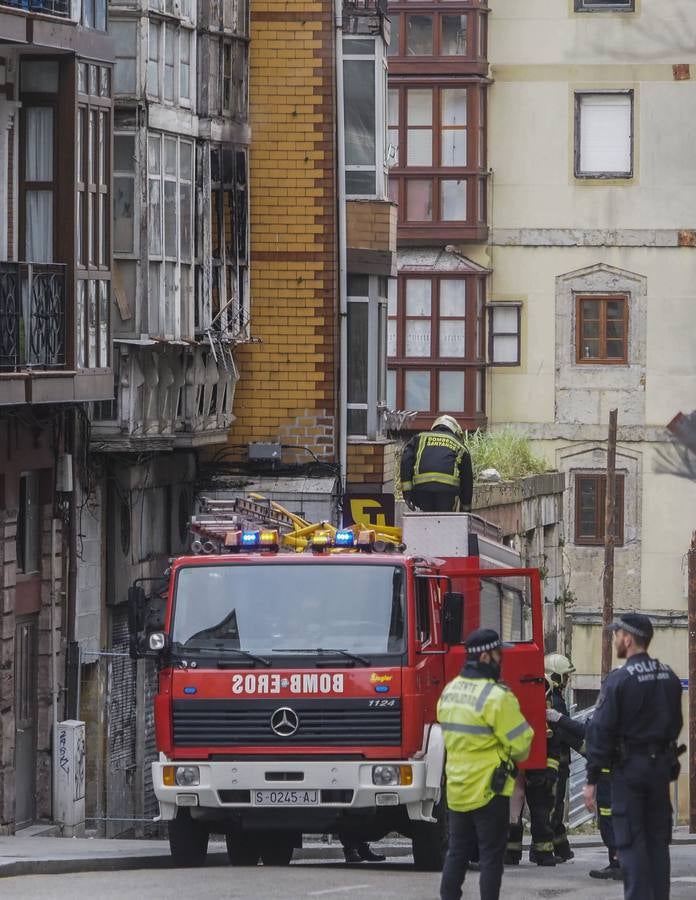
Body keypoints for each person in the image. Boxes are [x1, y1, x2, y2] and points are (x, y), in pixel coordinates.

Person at [583, 613, 683, 900]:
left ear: (628, 638)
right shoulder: (669, 676)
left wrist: (591, 780)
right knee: (657, 845)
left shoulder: (619, 680)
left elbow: (600, 732)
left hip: (629, 772)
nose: (614, 639)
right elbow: (675, 724)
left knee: (631, 846)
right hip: (661, 769)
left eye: (617, 635)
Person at [437, 628, 534, 900]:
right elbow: (522, 745)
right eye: (498, 653)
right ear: (484, 656)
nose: (501, 659)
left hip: (456, 789)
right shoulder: (497, 696)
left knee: (456, 853)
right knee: (491, 857)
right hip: (490, 790)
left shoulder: (450, 691)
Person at [400, 415, 473, 513]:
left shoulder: (419, 439)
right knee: (443, 523)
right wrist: (465, 507)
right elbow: (467, 480)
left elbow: (406, 460)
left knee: (427, 521)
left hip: (422, 489)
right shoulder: (460, 447)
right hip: (447, 492)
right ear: (455, 431)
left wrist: (407, 493)